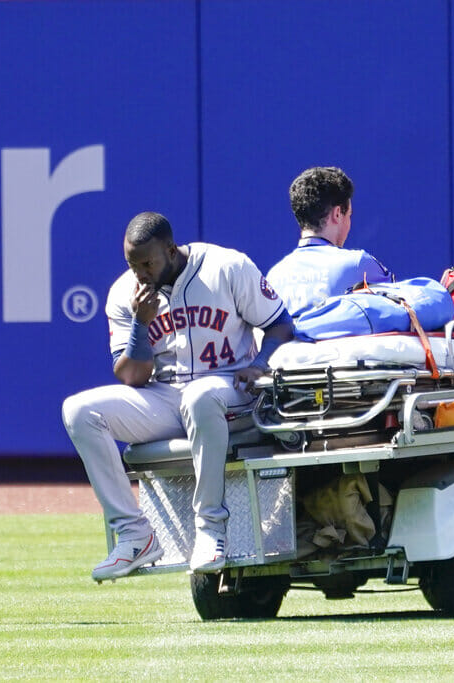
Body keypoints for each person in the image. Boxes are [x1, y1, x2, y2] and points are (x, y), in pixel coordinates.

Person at [62, 212, 293, 579]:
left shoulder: (227, 266)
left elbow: (281, 325)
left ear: (171, 251)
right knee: (79, 411)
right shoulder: (126, 293)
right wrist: (141, 323)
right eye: (132, 263)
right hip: (168, 396)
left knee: (200, 396)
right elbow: (132, 376)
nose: (140, 273)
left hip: (230, 390)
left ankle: (211, 529)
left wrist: (262, 362)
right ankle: (135, 535)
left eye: (148, 263)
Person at [267, 166, 394, 317]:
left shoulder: (273, 277)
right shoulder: (358, 264)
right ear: (338, 214)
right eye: (349, 215)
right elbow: (402, 308)